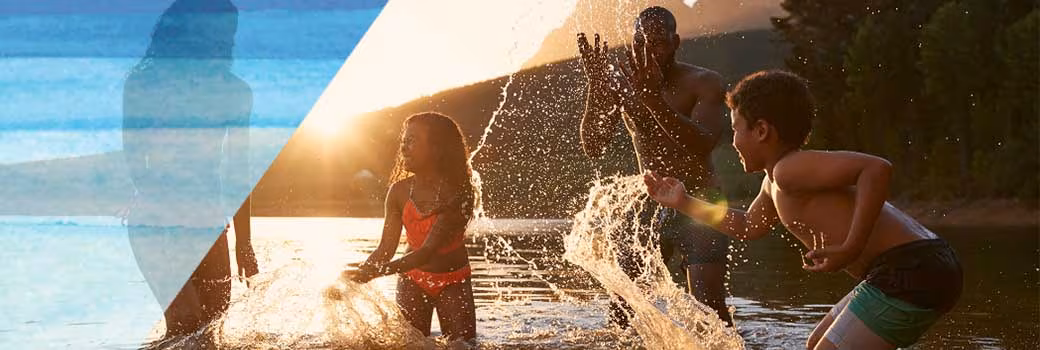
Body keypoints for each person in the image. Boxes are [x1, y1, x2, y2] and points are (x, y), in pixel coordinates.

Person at [643, 70, 963, 349]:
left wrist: (851, 247)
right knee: (814, 344)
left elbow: (876, 169)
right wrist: (683, 202)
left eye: (736, 128)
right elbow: (747, 226)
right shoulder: (774, 183)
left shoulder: (790, 169)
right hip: (909, 270)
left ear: (762, 131)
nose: (733, 139)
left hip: (913, 270)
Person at [577, 6, 733, 326]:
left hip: (701, 200)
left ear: (676, 42)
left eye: (658, 42)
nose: (648, 50)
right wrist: (597, 84)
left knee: (710, 315)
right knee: (622, 316)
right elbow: (594, 146)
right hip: (647, 204)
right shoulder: (624, 84)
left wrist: (652, 100)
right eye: (640, 42)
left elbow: (703, 142)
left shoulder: (705, 82)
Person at [123, 0, 256, 338]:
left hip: (209, 223)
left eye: (230, 32)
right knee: (185, 325)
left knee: (211, 332)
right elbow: (136, 162)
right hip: (155, 220)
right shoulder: (144, 83)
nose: (226, 40)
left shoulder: (236, 92)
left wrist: (244, 243)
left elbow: (239, 172)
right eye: (219, 30)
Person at [344, 112, 478, 341]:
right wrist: (360, 273)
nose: (404, 148)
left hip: (454, 281)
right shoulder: (398, 192)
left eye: (412, 141)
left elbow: (426, 252)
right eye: (403, 141)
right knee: (410, 345)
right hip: (412, 280)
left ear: (437, 149)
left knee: (462, 346)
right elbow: (385, 249)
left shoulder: (459, 193)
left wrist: (375, 272)